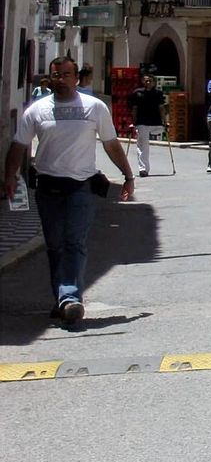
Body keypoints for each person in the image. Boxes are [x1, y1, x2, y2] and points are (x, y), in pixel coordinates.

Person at [4, 55, 135, 326]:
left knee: (74, 243)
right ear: (49, 79)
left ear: (77, 78)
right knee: (54, 246)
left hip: (81, 188)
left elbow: (111, 144)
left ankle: (70, 298)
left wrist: (127, 174)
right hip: (48, 187)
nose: (61, 80)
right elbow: (19, 146)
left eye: (66, 74)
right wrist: (10, 177)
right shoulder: (36, 111)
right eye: (56, 75)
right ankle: (62, 300)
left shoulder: (94, 107)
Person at [128, 75, 167, 178]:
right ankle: (143, 169)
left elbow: (162, 108)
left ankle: (144, 168)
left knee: (147, 142)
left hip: (156, 123)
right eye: (146, 81)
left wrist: (165, 122)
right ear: (143, 82)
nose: (148, 82)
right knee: (143, 146)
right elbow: (134, 108)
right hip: (142, 122)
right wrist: (134, 122)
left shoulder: (158, 93)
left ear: (154, 82)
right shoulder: (137, 93)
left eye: (150, 81)